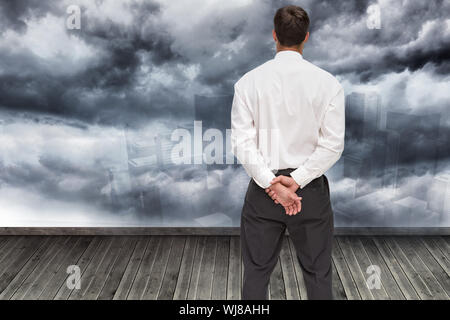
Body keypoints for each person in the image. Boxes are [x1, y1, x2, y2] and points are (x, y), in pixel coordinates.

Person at [231, 5, 345, 300]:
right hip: (309, 193)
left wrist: (273, 184)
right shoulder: (329, 84)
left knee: (256, 273)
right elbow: (333, 145)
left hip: (263, 195)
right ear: (306, 37)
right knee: (318, 273)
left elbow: (243, 144)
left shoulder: (247, 83)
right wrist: (297, 181)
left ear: (274, 36)